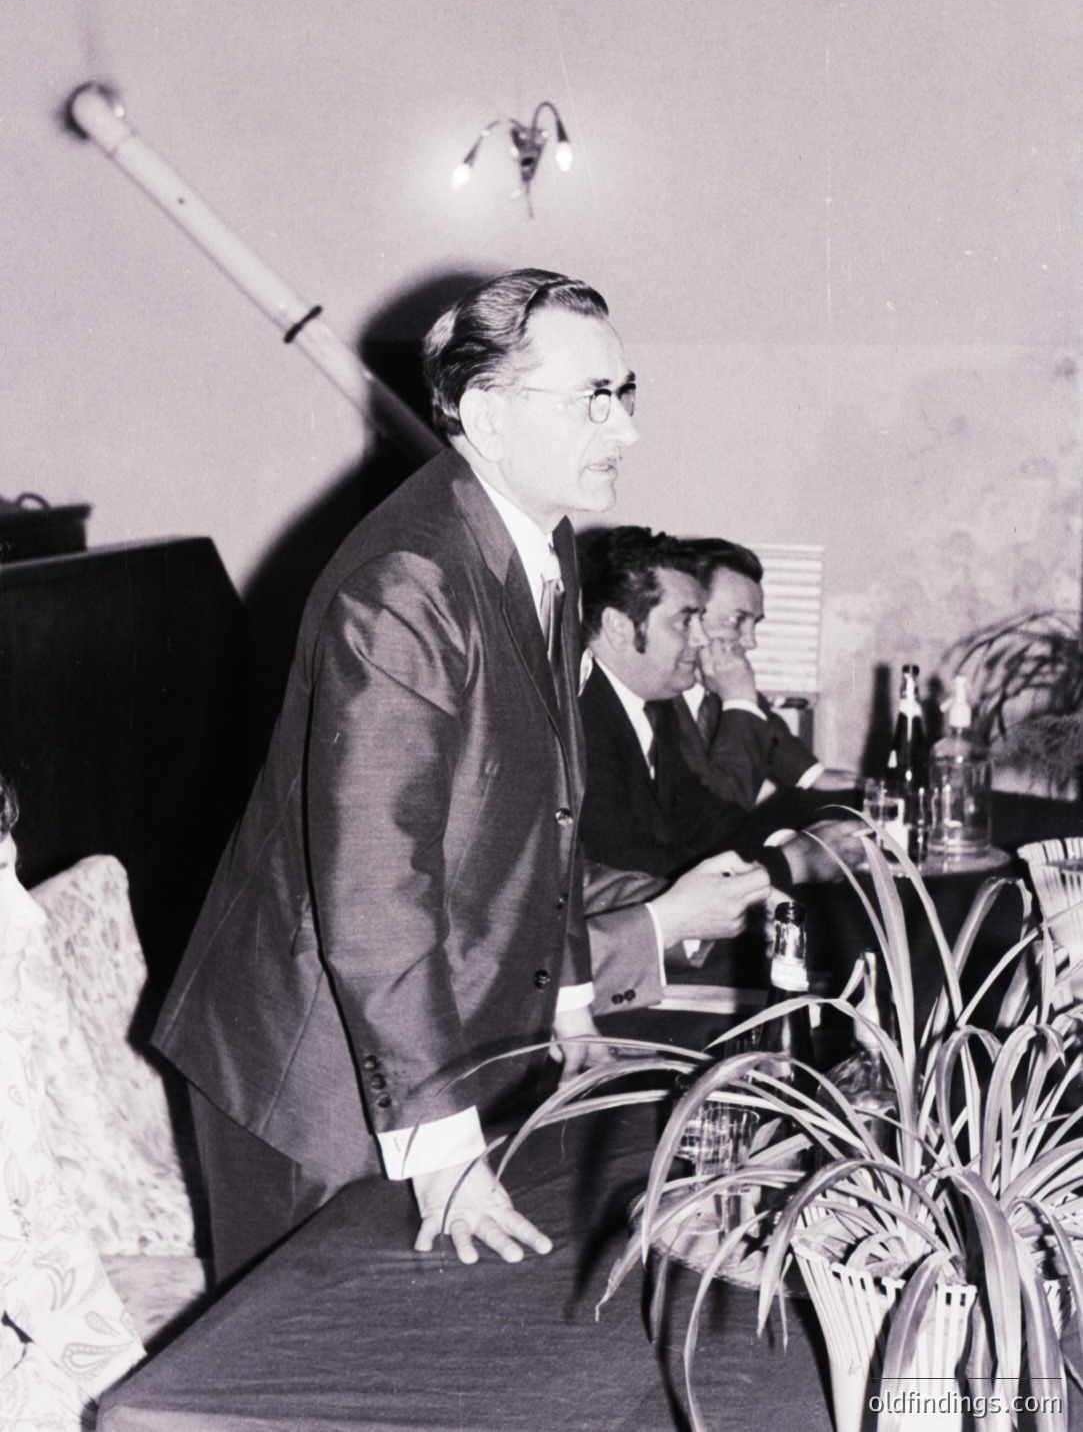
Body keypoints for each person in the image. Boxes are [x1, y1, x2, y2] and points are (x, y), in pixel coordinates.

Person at [154, 270, 772, 1283]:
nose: (624, 431)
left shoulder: (546, 541)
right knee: (304, 1377)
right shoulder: (410, 580)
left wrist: (571, 999)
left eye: (627, 394)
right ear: (486, 412)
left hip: (421, 1039)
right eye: (593, 400)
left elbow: (554, 812)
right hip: (309, 1076)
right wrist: (442, 1150)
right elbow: (373, 887)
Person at [578, 527, 862, 1009]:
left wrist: (793, 849)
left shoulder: (647, 704)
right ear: (619, 627)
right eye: (684, 621)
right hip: (605, 981)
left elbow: (709, 821)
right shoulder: (582, 715)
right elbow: (636, 870)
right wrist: (790, 862)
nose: (700, 638)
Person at [679, 537, 826, 814]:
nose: (750, 642)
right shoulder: (656, 700)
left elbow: (818, 781)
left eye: (754, 624)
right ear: (689, 617)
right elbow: (715, 816)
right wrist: (739, 700)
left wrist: (888, 795)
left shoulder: (729, 692)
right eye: (736, 621)